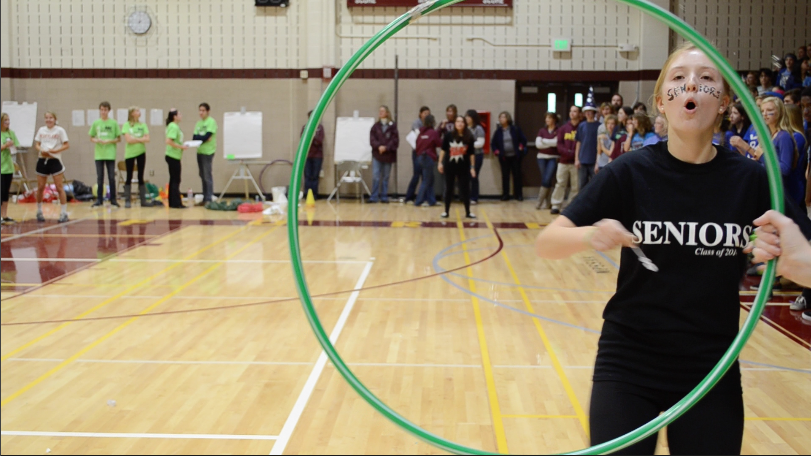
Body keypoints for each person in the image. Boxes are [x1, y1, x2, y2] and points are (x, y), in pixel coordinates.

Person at [534, 42, 811, 455]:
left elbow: (803, 256)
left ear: (723, 104)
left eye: (706, 79)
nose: (691, 85)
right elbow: (547, 242)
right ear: (662, 102)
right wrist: (591, 235)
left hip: (711, 368)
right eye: (678, 78)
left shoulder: (752, 180)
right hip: (628, 363)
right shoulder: (631, 170)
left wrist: (794, 260)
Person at [755, 97, 802, 208]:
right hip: (768, 189)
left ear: (779, 112)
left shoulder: (784, 136)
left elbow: (785, 169)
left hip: (782, 194)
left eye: (769, 110)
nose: (765, 114)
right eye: (762, 111)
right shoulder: (768, 136)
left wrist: (762, 156)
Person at [34, 111, 70, 223]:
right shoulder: (41, 130)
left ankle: (64, 212)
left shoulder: (60, 130)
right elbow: (37, 144)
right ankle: (39, 211)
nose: (48, 120)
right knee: (40, 187)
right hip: (42, 160)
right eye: (46, 118)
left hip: (54, 160)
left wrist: (55, 151)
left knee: (59, 187)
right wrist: (41, 150)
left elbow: (66, 145)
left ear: (55, 119)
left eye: (51, 118)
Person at [439, 116, 476, 219]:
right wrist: (440, 163)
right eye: (458, 121)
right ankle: (446, 211)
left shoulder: (469, 136)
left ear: (465, 124)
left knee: (465, 189)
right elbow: (443, 150)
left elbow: (472, 154)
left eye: (462, 122)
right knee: (449, 189)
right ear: (455, 123)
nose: (460, 123)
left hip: (463, 167)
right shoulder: (448, 135)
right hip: (450, 166)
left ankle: (468, 212)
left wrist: (472, 167)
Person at [89, 101, 121, 207]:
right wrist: (96, 140)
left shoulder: (113, 123)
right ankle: (99, 199)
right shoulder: (96, 123)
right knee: (100, 177)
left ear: (109, 111)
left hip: (110, 154)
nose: (103, 112)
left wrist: (109, 141)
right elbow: (91, 137)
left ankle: (113, 199)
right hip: (99, 154)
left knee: (111, 177)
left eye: (105, 110)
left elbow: (118, 138)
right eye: (102, 110)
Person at [550, 105, 581, 214]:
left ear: (579, 113)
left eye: (575, 111)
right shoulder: (563, 128)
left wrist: (574, 154)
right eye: (571, 111)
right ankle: (556, 205)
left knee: (575, 186)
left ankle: (571, 206)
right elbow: (559, 144)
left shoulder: (581, 127)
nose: (572, 113)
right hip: (563, 161)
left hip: (576, 162)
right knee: (560, 183)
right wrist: (566, 152)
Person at [491, 111, 527, 201]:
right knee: (505, 176)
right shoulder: (498, 131)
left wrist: (521, 146)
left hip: (515, 156)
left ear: (507, 118)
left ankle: (518, 195)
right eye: (500, 117)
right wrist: (496, 151)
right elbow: (493, 143)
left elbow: (523, 140)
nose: (501, 119)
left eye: (503, 117)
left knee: (517, 175)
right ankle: (505, 195)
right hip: (504, 157)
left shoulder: (515, 129)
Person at [121, 106, 151, 208]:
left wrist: (136, 138)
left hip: (141, 152)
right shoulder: (126, 125)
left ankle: (143, 200)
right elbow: (128, 140)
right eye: (137, 111)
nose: (139, 112)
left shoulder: (143, 125)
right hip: (130, 153)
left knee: (140, 176)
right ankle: (127, 200)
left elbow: (147, 139)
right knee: (129, 176)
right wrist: (140, 138)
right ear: (132, 113)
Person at [369, 105, 399, 203]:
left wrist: (386, 147)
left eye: (383, 111)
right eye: (379, 111)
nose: (380, 113)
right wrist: (379, 147)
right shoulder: (375, 126)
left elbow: (395, 140)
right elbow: (372, 140)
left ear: (387, 113)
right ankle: (374, 196)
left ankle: (384, 196)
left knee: (386, 177)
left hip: (388, 155)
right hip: (377, 155)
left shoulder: (393, 126)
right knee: (376, 176)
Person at [414, 114, 442, 207]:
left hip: (420, 157)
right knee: (426, 180)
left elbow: (417, 145)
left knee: (430, 179)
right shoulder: (432, 132)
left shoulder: (420, 133)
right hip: (428, 157)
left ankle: (431, 200)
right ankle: (418, 201)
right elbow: (439, 143)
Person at [405, 106, 431, 204]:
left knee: (425, 177)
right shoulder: (416, 123)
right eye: (425, 113)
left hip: (426, 153)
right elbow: (419, 135)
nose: (426, 115)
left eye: (428, 113)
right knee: (416, 175)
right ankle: (409, 197)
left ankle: (424, 198)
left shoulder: (429, 124)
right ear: (420, 114)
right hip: (417, 152)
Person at [193, 103, 217, 204]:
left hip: (208, 152)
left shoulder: (211, 122)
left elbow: (208, 136)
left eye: (203, 110)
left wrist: (202, 138)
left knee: (207, 175)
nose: (201, 113)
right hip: (200, 151)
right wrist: (203, 139)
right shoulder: (198, 123)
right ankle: (204, 197)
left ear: (208, 111)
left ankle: (209, 198)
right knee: (202, 174)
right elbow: (194, 137)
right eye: (200, 110)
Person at [165, 109, 189, 209]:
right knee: (176, 179)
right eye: (179, 114)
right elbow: (168, 141)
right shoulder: (173, 126)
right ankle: (176, 203)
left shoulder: (175, 126)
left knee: (173, 179)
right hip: (173, 156)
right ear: (175, 116)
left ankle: (172, 202)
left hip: (175, 155)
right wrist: (181, 147)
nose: (181, 115)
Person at [535, 112, 559, 209]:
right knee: (545, 179)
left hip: (553, 157)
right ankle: (548, 202)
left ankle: (539, 202)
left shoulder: (559, 130)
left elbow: (557, 143)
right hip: (541, 157)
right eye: (546, 118)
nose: (547, 120)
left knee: (547, 178)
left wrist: (544, 141)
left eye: (549, 118)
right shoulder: (542, 130)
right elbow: (538, 145)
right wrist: (550, 142)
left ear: (554, 119)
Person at [301, 110, 325, 200]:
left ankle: (314, 194)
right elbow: (303, 140)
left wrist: (313, 136)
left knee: (315, 176)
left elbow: (319, 141)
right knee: (307, 175)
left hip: (317, 156)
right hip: (307, 155)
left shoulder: (320, 128)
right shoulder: (305, 128)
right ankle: (307, 193)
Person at [575, 103, 600, 189]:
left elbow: (599, 144)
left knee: (595, 183)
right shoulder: (581, 125)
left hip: (593, 159)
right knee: (582, 184)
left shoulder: (599, 126)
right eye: (586, 112)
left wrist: (597, 161)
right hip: (583, 160)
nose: (588, 113)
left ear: (594, 112)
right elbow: (578, 143)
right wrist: (576, 159)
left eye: (590, 111)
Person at [1, 113, 19, 224]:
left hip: (8, 167)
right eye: (5, 120)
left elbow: (16, 146)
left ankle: (5, 215)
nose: (7, 122)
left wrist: (12, 145)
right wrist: (5, 145)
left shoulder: (11, 133)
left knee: (5, 192)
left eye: (8, 120)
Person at [465, 110, 486, 205]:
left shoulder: (478, 128)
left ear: (473, 118)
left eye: (468, 117)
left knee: (474, 176)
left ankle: (474, 197)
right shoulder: (465, 128)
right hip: (466, 156)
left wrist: (468, 145)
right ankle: (466, 196)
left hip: (477, 155)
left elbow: (480, 143)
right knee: (466, 177)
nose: (466, 118)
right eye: (466, 116)